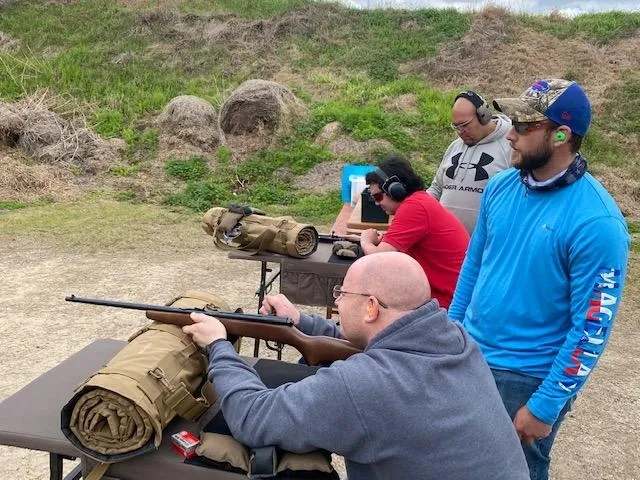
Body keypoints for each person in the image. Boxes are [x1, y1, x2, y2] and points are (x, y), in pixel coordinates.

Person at [183, 252, 530, 480]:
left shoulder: (365, 385)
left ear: (370, 307)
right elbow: (371, 341)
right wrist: (300, 322)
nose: (337, 301)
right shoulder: (455, 339)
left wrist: (218, 345)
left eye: (341, 295)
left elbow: (254, 418)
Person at [448, 79, 630, 480]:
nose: (510, 135)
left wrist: (546, 404)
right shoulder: (499, 189)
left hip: (526, 379)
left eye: (525, 127)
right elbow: (473, 269)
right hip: (469, 357)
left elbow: (592, 329)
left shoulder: (598, 223)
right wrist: (452, 336)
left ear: (562, 135)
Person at [359, 154, 469, 308]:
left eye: (378, 197)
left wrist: (365, 240)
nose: (377, 203)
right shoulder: (419, 201)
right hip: (447, 295)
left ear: (394, 189)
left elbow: (379, 259)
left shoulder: (414, 208)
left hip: (444, 302)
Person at [428, 90, 512, 233]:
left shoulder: (511, 145)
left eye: (465, 125)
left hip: (487, 244)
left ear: (483, 116)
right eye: (456, 127)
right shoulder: (455, 147)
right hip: (446, 241)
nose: (460, 131)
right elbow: (436, 189)